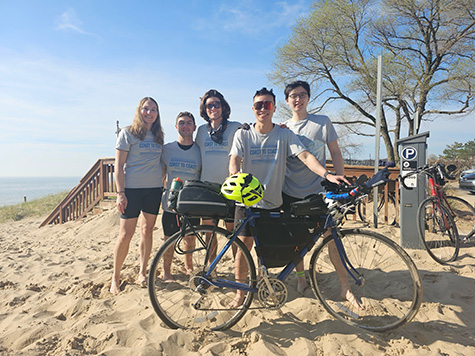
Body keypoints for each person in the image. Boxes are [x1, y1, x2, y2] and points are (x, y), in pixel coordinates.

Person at [228, 87, 349, 307]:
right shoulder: (243, 133)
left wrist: (328, 174)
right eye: (258, 105)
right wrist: (235, 178)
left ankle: (301, 281)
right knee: (243, 248)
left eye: (267, 104)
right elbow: (234, 160)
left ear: (274, 107)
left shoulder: (285, 133)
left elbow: (305, 156)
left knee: (273, 248)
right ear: (253, 108)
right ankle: (239, 294)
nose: (263, 108)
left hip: (274, 201)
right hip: (246, 200)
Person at [282, 80, 363, 308]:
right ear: (287, 101)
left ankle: (345, 286)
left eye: (302, 95)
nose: (298, 99)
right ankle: (300, 279)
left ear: (308, 98)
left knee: (332, 237)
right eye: (293, 96)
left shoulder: (321, 122)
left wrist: (339, 179)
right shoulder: (283, 128)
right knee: (296, 240)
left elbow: (335, 152)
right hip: (290, 191)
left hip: (320, 191)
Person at [110, 97, 164, 294]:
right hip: (131, 190)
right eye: (146, 109)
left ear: (157, 114)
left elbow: (161, 164)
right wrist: (120, 193)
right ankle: (115, 278)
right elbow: (118, 166)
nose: (149, 113)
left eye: (153, 110)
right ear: (139, 111)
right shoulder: (128, 133)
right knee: (125, 234)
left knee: (147, 230)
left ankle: (142, 271)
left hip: (154, 190)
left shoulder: (159, 136)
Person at [160, 112, 201, 280]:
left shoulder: (200, 151)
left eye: (189, 123)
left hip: (192, 202)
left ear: (194, 127)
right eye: (182, 123)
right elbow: (160, 176)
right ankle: (166, 272)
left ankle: (188, 267)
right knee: (168, 239)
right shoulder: (167, 149)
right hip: (171, 202)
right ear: (176, 127)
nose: (185, 126)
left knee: (190, 239)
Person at [195, 89, 241, 232]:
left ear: (223, 107)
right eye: (209, 105)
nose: (213, 108)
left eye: (217, 104)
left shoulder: (235, 127)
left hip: (230, 188)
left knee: (232, 232)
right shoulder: (202, 131)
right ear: (204, 109)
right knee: (209, 232)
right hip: (207, 188)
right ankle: (213, 256)